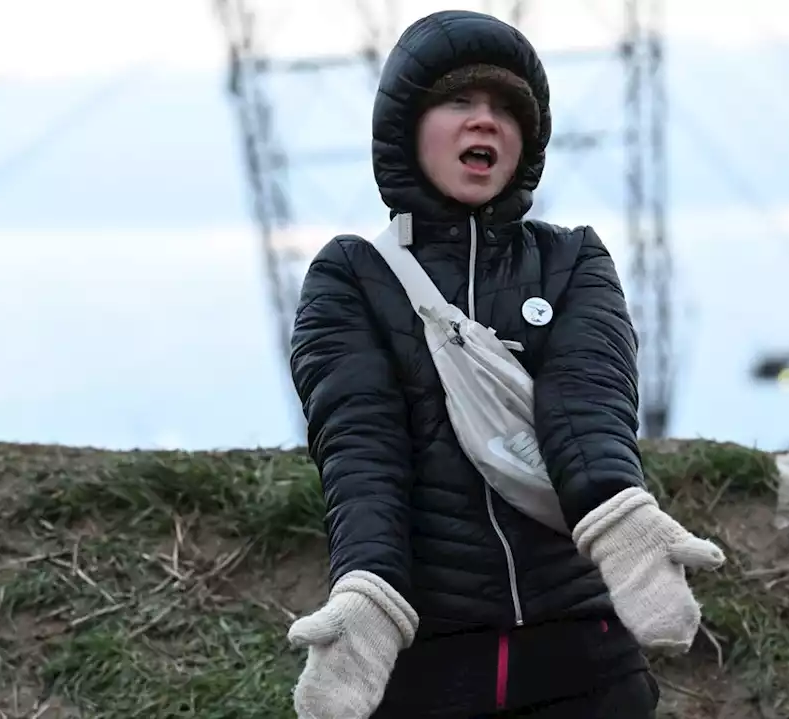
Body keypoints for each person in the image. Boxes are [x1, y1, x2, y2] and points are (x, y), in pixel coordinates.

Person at [286, 9, 723, 719]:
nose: (484, 122)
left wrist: (622, 524)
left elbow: (588, 400)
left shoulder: (573, 260)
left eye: (506, 110)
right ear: (406, 126)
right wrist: (366, 593)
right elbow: (362, 448)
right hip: (432, 669)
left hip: (586, 657)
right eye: (459, 101)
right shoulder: (352, 277)